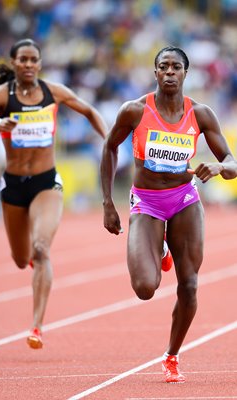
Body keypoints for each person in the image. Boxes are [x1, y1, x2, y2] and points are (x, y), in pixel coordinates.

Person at [100, 46, 237, 383]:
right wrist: (107, 202)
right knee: (146, 288)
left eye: (177, 67)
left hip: (184, 200)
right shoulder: (134, 111)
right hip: (146, 201)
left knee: (189, 286)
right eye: (164, 67)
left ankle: (172, 355)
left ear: (186, 74)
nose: (170, 72)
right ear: (156, 72)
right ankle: (158, 247)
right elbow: (109, 147)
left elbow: (233, 163)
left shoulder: (201, 114)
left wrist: (219, 166)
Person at [0, 38, 108, 349]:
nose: (29, 65)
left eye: (34, 60)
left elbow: (89, 111)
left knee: (42, 248)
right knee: (22, 259)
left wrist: (109, 140)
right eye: (23, 60)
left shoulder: (53, 92)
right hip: (14, 185)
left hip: (47, 182)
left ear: (40, 64)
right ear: (14, 63)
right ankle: (33, 262)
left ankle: (37, 326)